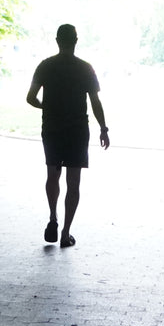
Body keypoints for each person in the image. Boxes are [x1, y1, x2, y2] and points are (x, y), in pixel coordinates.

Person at [26, 23, 109, 248]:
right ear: (76, 40)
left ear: (57, 40)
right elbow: (95, 102)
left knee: (52, 175)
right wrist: (103, 128)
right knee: (74, 182)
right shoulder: (85, 68)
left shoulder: (45, 66)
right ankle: (65, 232)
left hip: (52, 127)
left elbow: (30, 98)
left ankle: (52, 217)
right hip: (77, 129)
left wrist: (48, 107)